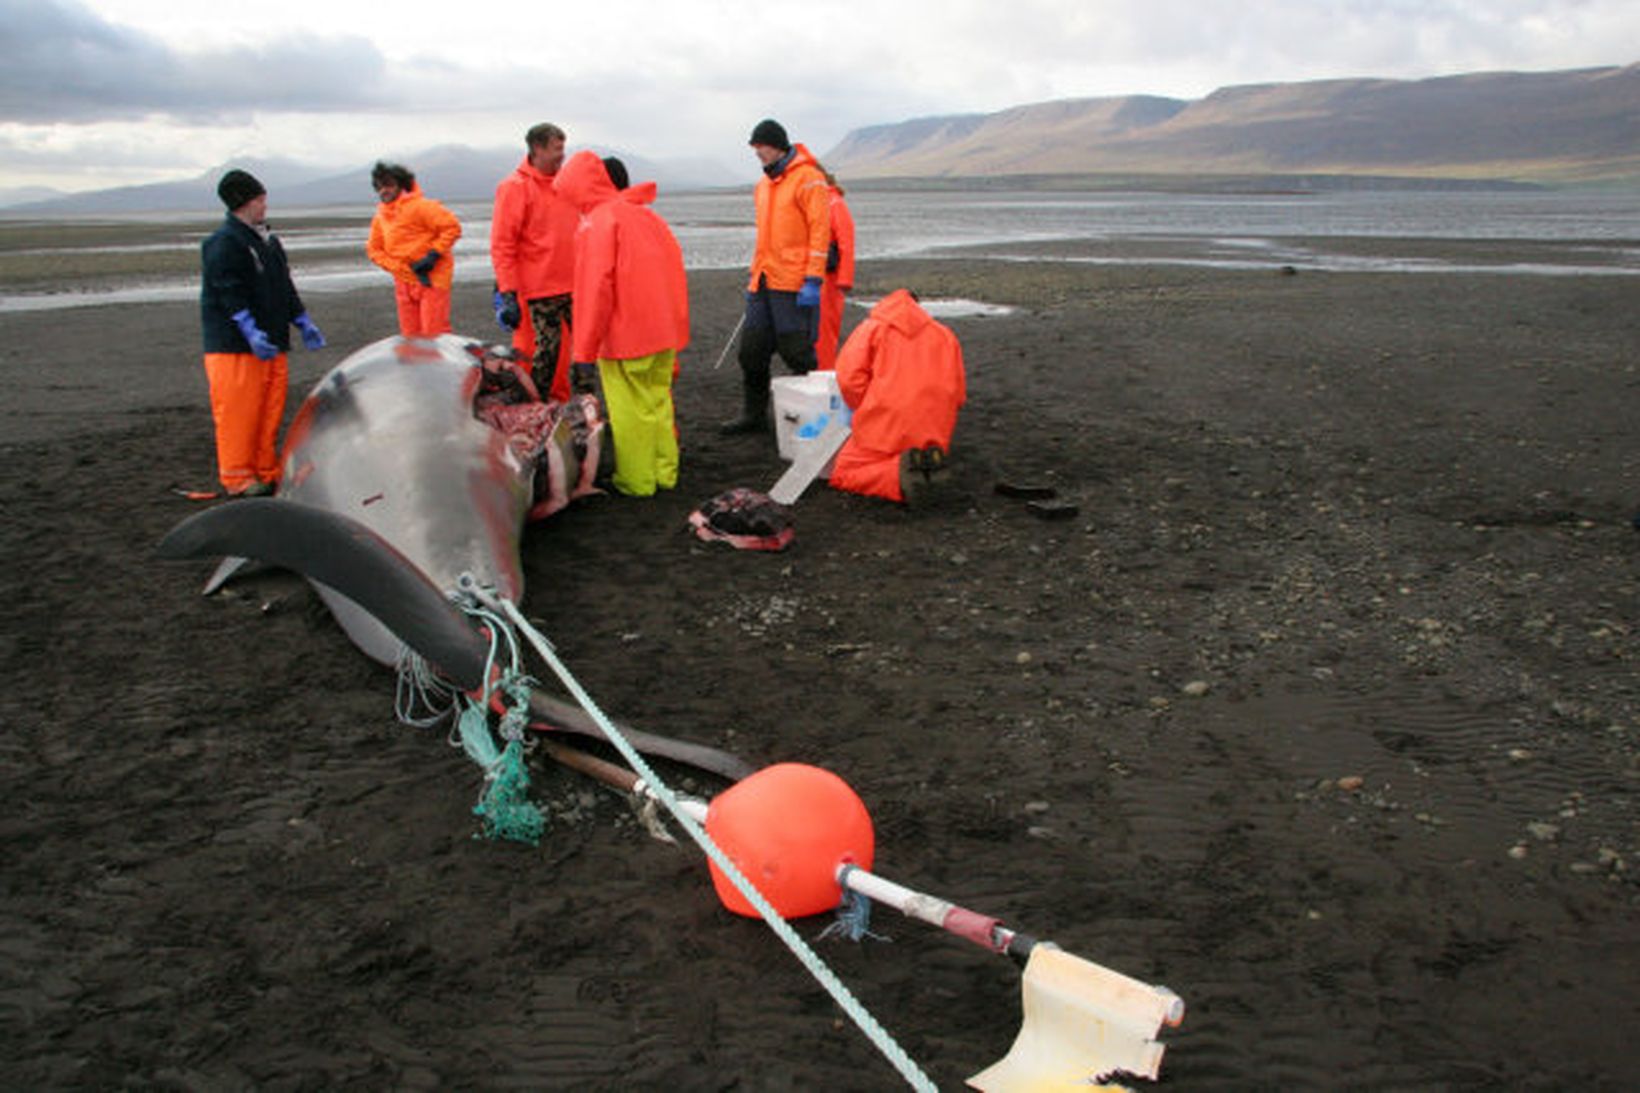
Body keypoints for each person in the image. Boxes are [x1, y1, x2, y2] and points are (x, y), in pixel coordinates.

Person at [555, 151, 689, 497]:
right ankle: (664, 472)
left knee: (630, 412)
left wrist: (583, 349)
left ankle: (637, 481)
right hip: (662, 332)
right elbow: (674, 273)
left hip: (625, 337)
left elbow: (595, 290)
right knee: (658, 404)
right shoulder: (647, 218)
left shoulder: (598, 223)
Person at [198, 169, 326, 497]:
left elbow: (283, 286)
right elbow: (228, 291)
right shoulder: (223, 243)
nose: (264, 205)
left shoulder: (267, 242)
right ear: (242, 202)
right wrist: (248, 329)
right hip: (235, 348)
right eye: (259, 199)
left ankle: (265, 470)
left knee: (268, 410)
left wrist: (301, 320)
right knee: (240, 413)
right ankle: (238, 478)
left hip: (272, 344)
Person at [719, 118, 832, 434]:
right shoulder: (764, 186)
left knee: (798, 352)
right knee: (751, 352)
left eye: (761, 147)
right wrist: (755, 273)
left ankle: (818, 415)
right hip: (764, 280)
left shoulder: (809, 179)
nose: (757, 153)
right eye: (755, 148)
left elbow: (820, 231)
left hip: (793, 281)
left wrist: (813, 279)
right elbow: (766, 236)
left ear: (777, 145)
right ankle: (753, 415)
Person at [828, 289, 966, 506]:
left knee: (844, 471)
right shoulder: (945, 335)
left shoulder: (871, 328)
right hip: (934, 432)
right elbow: (958, 394)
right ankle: (922, 462)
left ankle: (898, 475)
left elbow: (848, 379)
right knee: (911, 449)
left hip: (883, 429)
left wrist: (866, 409)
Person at [490, 123, 580, 402]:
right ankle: (532, 410)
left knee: (573, 356)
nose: (561, 156)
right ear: (537, 148)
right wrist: (507, 290)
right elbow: (503, 243)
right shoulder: (514, 188)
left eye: (563, 149)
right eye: (556, 149)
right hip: (537, 291)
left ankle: (564, 406)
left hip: (573, 286)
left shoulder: (568, 185)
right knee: (537, 356)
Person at [365, 162, 462, 337]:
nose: (383, 191)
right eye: (379, 187)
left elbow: (452, 227)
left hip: (431, 279)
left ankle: (443, 364)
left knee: (434, 335)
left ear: (401, 185)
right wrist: (397, 267)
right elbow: (374, 249)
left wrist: (432, 255)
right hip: (403, 281)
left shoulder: (422, 206)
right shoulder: (381, 218)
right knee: (410, 338)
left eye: (388, 185)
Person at [814, 171, 855, 371]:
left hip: (829, 278)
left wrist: (844, 279)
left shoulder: (833, 203)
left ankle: (824, 373)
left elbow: (846, 240)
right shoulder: (815, 202)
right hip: (810, 275)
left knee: (824, 331)